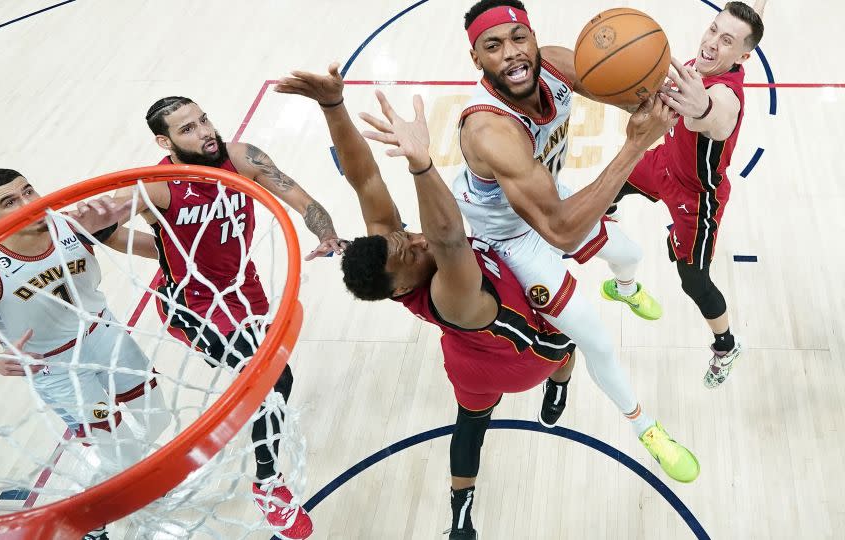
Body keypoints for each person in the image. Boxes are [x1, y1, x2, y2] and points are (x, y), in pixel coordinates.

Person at [275, 63, 697, 540]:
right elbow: (450, 236)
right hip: (518, 357)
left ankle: (460, 519)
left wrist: (333, 105)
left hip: (467, 366)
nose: (414, 241)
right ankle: (601, 407)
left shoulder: (391, 253)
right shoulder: (446, 292)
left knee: (469, 426)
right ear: (400, 290)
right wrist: (420, 162)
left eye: (407, 237)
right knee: (567, 339)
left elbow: (365, 178)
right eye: (409, 252)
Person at [454, 0, 701, 464]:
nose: (510, 53)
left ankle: (623, 288)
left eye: (517, 38)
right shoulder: (489, 130)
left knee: (631, 254)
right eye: (493, 46)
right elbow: (561, 232)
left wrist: (674, 87)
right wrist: (634, 145)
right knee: (596, 340)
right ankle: (645, 427)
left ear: (532, 36)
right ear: (477, 59)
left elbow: (627, 91)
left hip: (548, 193)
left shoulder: (556, 63)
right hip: (511, 238)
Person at [114, 96, 344, 539]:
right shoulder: (158, 186)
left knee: (266, 380)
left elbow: (300, 197)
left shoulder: (241, 157)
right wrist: (166, 255)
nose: (204, 132)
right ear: (165, 142)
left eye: (204, 120)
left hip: (243, 290)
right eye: (187, 129)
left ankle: (264, 463)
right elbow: (107, 226)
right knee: (275, 379)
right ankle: (268, 484)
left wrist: (326, 232)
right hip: (192, 305)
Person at [0, 169, 170, 540]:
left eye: (29, 191)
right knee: (118, 444)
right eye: (10, 202)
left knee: (159, 418)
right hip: (58, 370)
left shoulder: (72, 224)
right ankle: (92, 517)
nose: (29, 203)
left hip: (105, 335)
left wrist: (180, 245)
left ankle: (117, 481)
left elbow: (151, 248)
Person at [612, 1, 766, 387]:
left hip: (696, 197)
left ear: (743, 56)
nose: (712, 41)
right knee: (608, 184)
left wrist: (702, 109)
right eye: (713, 29)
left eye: (726, 40)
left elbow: (718, 116)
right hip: (664, 162)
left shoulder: (726, 94)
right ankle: (624, 278)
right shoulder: (699, 62)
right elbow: (749, 10)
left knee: (693, 280)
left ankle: (726, 345)